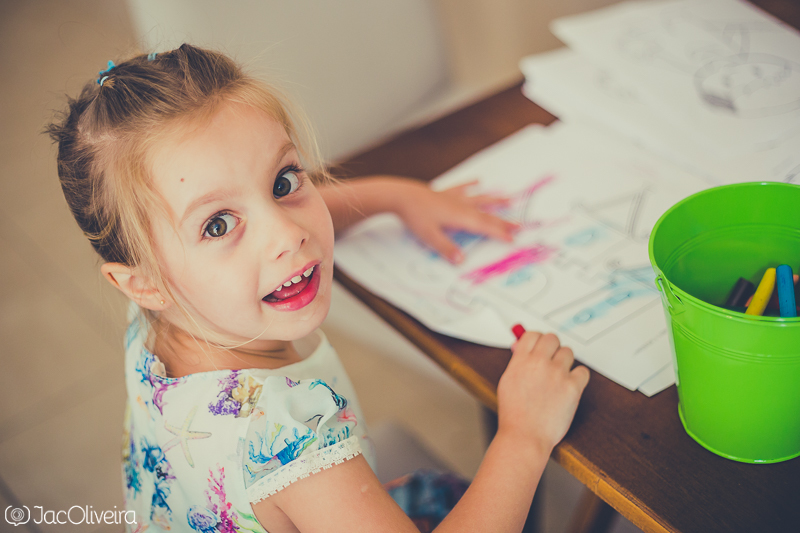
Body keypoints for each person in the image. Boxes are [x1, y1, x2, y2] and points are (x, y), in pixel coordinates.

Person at [47, 44, 589, 533]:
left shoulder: (158, 312)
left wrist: (395, 197)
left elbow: (280, 209)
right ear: (143, 283)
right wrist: (523, 437)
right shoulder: (289, 445)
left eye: (283, 182)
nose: (288, 234)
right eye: (218, 224)